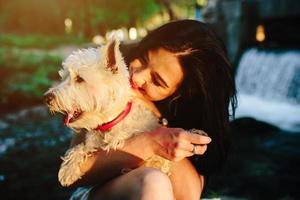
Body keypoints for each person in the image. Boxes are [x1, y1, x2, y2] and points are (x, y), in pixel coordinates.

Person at [69, 19, 237, 200]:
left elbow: (188, 195)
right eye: (143, 59)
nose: (138, 77)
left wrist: (157, 124)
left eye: (157, 81)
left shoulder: (191, 122)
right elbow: (73, 174)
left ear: (180, 95)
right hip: (96, 193)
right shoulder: (112, 74)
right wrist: (150, 143)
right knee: (153, 180)